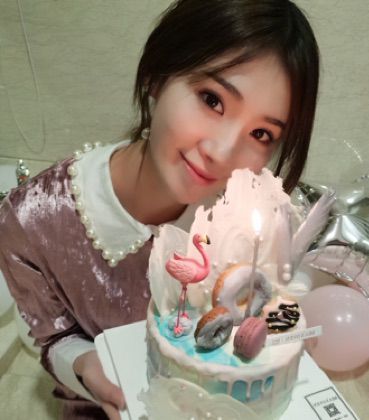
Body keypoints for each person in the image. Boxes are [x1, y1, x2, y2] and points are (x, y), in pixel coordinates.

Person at [0, 0, 319, 418]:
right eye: (212, 99)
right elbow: (49, 336)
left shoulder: (244, 219)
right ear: (156, 75)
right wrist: (84, 363)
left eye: (260, 133)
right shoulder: (31, 220)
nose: (222, 152)